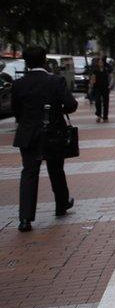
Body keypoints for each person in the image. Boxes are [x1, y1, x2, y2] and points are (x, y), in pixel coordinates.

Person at [11, 45, 78, 232]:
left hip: (28, 134)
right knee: (56, 169)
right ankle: (61, 204)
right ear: (44, 60)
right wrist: (57, 110)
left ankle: (25, 219)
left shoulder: (19, 84)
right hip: (53, 132)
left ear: (26, 62)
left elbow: (16, 110)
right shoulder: (56, 81)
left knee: (29, 173)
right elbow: (71, 104)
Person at [90, 56, 112, 122]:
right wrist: (91, 86)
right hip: (97, 88)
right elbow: (93, 79)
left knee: (106, 102)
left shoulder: (106, 69)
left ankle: (105, 117)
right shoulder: (95, 70)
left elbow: (111, 75)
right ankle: (98, 115)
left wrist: (110, 85)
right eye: (99, 62)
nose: (100, 64)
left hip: (105, 87)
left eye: (101, 62)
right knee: (97, 101)